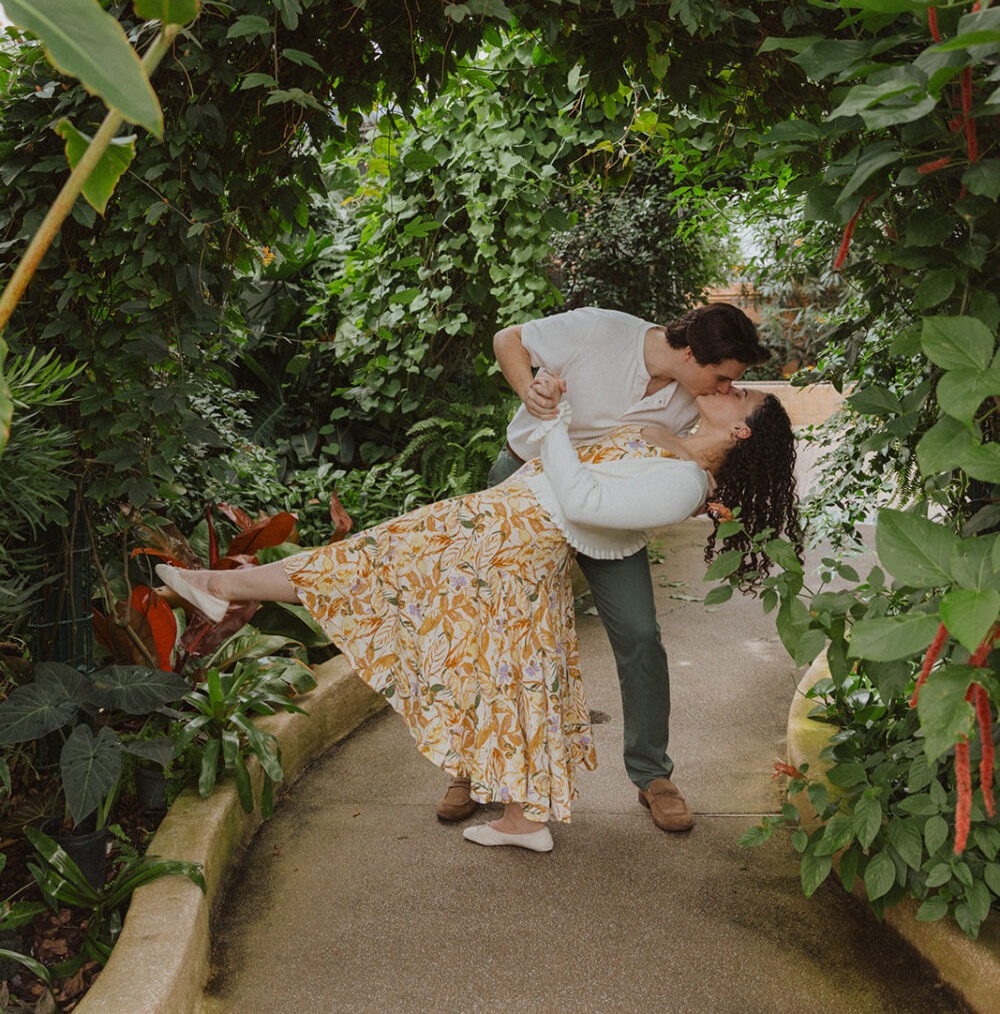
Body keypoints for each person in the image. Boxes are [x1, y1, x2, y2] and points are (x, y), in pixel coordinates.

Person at [157, 384, 798, 855]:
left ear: (742, 432)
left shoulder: (685, 484)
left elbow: (580, 496)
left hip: (512, 537)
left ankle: (214, 585)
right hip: (503, 523)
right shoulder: (667, 440)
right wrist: (552, 407)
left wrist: (558, 424)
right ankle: (524, 818)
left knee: (368, 563)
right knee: (509, 667)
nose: (726, 388)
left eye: (739, 396)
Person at [437, 302, 771, 834]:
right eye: (723, 375)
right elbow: (508, 338)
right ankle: (471, 766)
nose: (725, 388)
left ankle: (652, 774)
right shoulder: (601, 330)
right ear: (690, 353)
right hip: (527, 481)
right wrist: (530, 390)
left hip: (604, 507)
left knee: (640, 632)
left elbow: (715, 450)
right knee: (496, 628)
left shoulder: (697, 396)